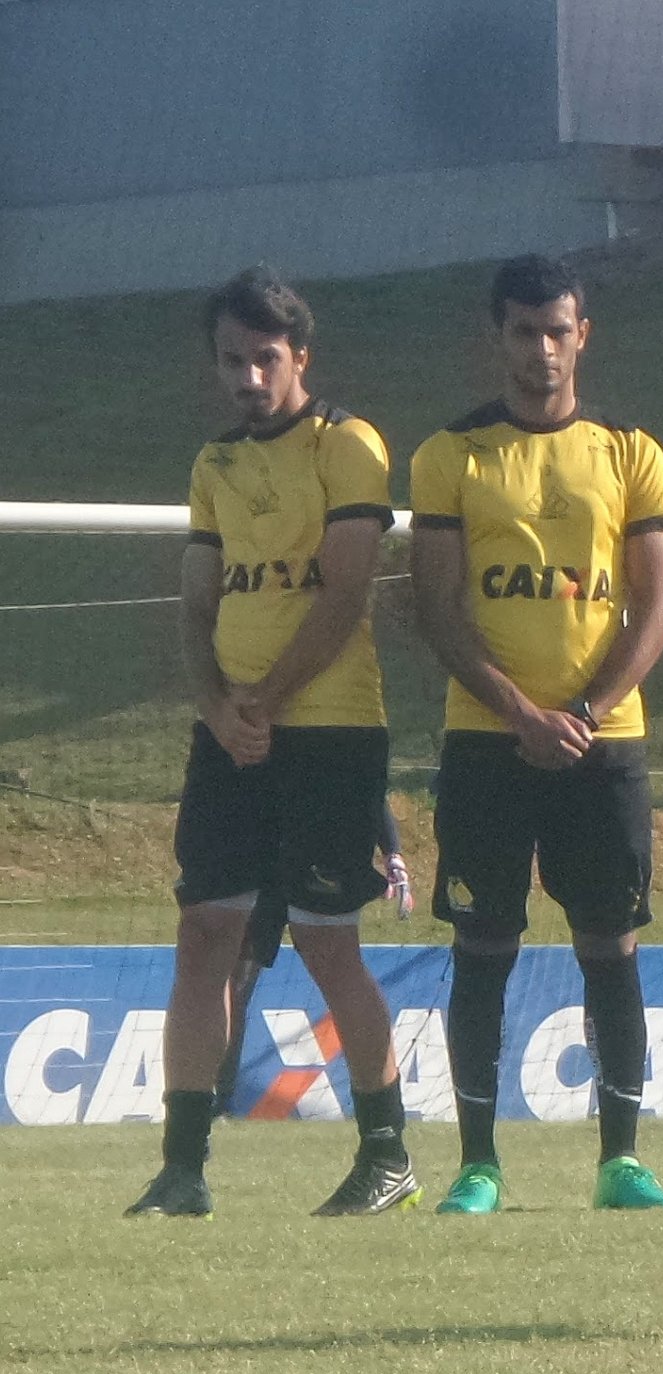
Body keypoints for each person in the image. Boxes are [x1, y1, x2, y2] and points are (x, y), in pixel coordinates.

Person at [129, 268, 414, 1220]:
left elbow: (344, 593)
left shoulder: (349, 445)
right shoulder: (214, 464)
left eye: (265, 357)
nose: (247, 377)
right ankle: (182, 1167)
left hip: (329, 728)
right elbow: (198, 603)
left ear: (301, 356)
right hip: (233, 736)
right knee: (202, 932)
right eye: (231, 359)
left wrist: (266, 701)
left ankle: (387, 1154)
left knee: (328, 942)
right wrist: (218, 707)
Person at [410, 254, 663, 1215]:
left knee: (609, 943)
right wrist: (521, 713)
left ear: (583, 336)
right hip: (488, 741)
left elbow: (657, 610)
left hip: (601, 743)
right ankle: (478, 1163)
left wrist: (583, 714)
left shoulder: (630, 451)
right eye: (522, 333)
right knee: (483, 943)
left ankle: (621, 1159)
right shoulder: (451, 455)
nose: (540, 352)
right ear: (499, 339)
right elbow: (438, 610)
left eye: (556, 331)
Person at [214, 797, 414, 1115]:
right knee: (235, 976)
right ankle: (218, 1099)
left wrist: (392, 850)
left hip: (317, 853)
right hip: (261, 858)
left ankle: (381, 1116)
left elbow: (367, 779)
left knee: (339, 969)